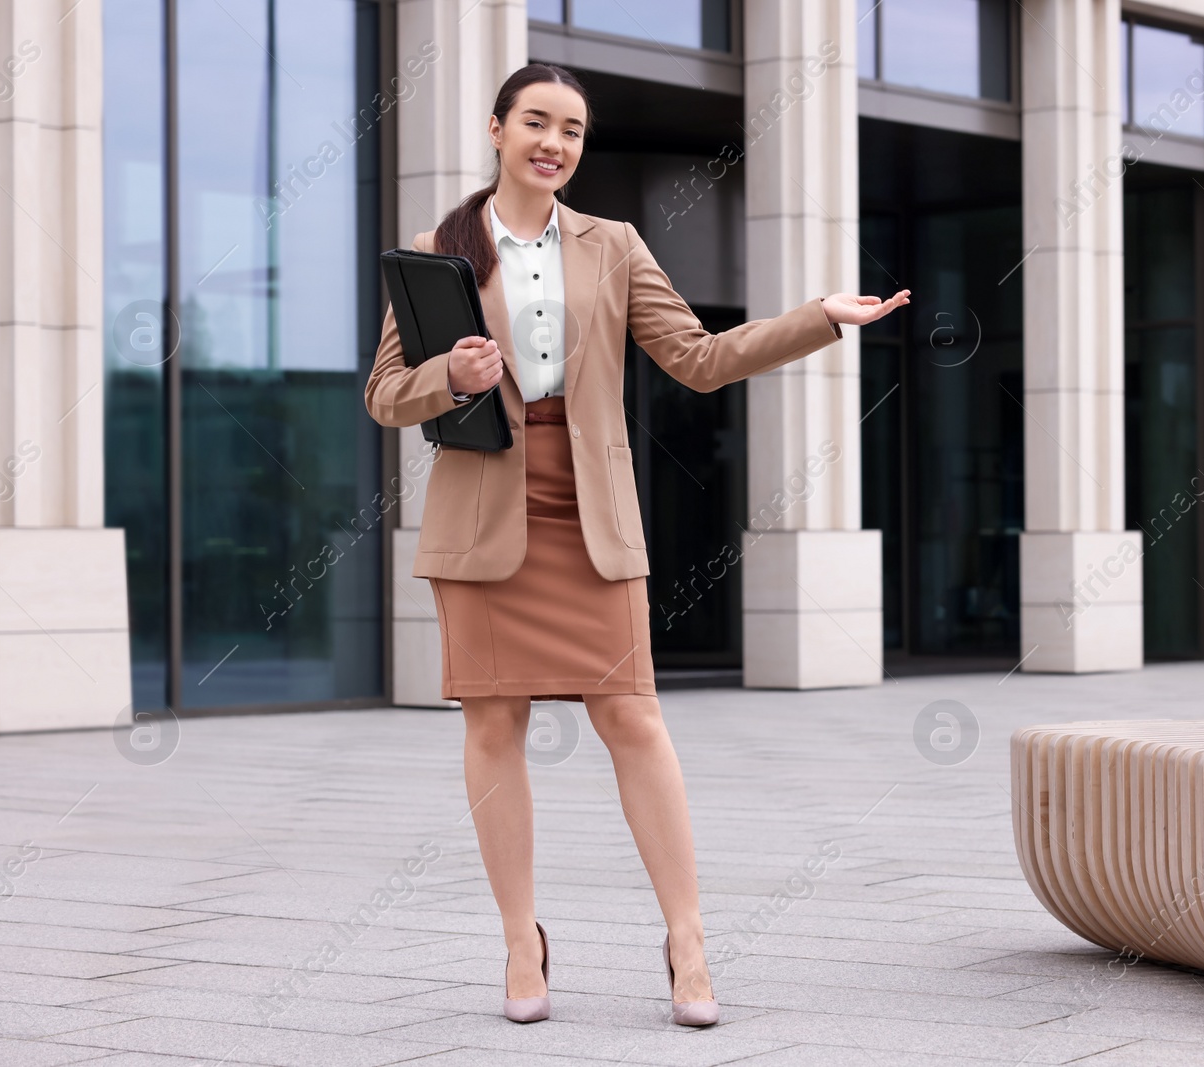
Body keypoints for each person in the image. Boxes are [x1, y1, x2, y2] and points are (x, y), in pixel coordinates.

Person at [364, 61, 909, 1027]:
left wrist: (818, 320)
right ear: (497, 130)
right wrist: (448, 373)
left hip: (591, 511)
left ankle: (688, 938)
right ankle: (520, 940)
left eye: (571, 130)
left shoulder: (612, 245)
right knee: (494, 725)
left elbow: (697, 359)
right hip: (482, 515)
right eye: (537, 122)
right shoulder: (435, 251)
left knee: (634, 719)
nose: (555, 143)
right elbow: (383, 394)